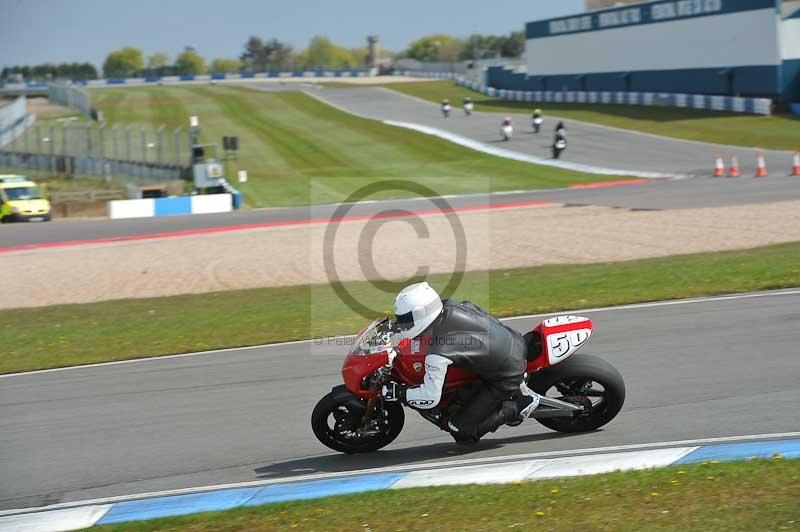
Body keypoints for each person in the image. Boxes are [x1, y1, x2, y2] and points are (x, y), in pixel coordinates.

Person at [382, 282, 540, 444]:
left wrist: (398, 393)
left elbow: (430, 397)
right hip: (511, 338)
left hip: (506, 375)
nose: (402, 323)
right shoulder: (448, 306)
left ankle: (518, 405)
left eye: (405, 319)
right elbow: (474, 308)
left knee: (460, 430)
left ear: (422, 314)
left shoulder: (439, 350)